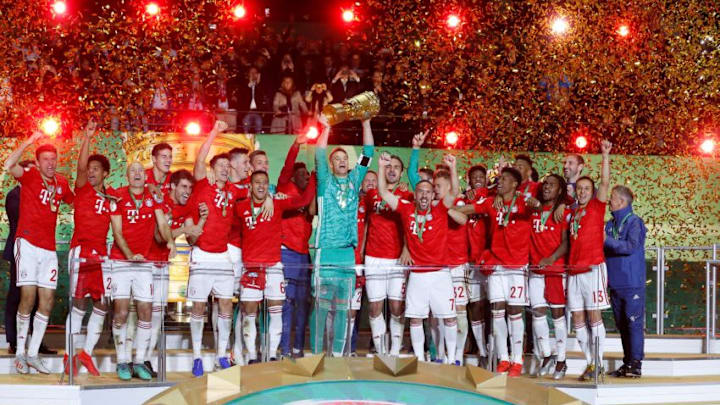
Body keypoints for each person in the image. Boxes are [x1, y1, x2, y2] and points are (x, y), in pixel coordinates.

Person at [377, 152, 467, 364]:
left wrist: (453, 167)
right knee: (416, 318)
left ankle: (452, 359)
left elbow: (454, 191)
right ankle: (418, 359)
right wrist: (381, 166)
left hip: (440, 274)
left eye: (428, 192)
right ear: (415, 195)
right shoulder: (405, 209)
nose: (425, 196)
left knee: (449, 318)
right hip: (417, 275)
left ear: (432, 195)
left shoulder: (440, 210)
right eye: (421, 192)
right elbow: (382, 191)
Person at [4, 133, 75, 374]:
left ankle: (33, 354)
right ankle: (20, 353)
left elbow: (75, 201)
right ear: (37, 161)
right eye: (45, 159)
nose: (50, 163)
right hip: (27, 245)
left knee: (47, 303)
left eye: (53, 159)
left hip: (49, 250)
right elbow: (8, 165)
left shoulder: (62, 183)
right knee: (28, 298)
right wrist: (28, 141)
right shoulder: (31, 176)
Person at [453, 167, 532, 377]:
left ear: (515, 184)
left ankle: (517, 359)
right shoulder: (490, 202)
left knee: (515, 313)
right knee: (497, 311)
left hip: (517, 266)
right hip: (497, 265)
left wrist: (533, 203)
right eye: (499, 178)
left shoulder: (524, 202)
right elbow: (466, 210)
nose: (500, 181)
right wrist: (448, 209)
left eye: (505, 179)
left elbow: (538, 206)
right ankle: (503, 358)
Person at [310, 115, 374, 356]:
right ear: (331, 164)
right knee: (321, 308)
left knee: (343, 308)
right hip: (325, 253)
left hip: (348, 254)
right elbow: (318, 153)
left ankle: (337, 356)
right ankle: (316, 355)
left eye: (344, 158)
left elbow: (368, 151)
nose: (341, 161)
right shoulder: (325, 183)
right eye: (336, 159)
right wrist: (325, 128)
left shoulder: (355, 180)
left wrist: (365, 122)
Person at [237, 170, 316, 362]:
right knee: (249, 312)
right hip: (251, 267)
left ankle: (272, 355)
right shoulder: (240, 207)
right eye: (257, 182)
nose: (261, 186)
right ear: (251, 185)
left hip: (273, 266)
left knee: (276, 311)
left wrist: (314, 177)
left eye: (264, 182)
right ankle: (252, 356)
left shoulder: (277, 204)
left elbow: (304, 200)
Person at [108, 162, 175, 381]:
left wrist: (171, 242)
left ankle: (139, 361)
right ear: (127, 176)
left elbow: (163, 224)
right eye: (132, 171)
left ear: (145, 177)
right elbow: (117, 232)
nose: (137, 174)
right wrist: (128, 254)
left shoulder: (153, 197)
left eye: (140, 171)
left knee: (146, 311)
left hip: (144, 263)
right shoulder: (118, 196)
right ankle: (122, 361)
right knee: (121, 312)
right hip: (121, 262)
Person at [144, 169, 206, 376]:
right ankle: (130, 359)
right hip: (144, 263)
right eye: (183, 187)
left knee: (156, 316)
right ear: (172, 187)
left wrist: (201, 221)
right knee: (141, 316)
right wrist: (184, 230)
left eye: (190, 187)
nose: (187, 191)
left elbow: (193, 237)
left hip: (162, 266)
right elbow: (160, 237)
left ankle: (145, 359)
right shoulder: (161, 203)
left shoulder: (187, 208)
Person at [64, 121, 114, 377]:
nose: (91, 172)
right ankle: (68, 355)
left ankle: (86, 354)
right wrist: (87, 138)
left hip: (101, 256)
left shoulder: (112, 196)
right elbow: (80, 167)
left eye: (97, 169)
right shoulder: (82, 190)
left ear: (105, 173)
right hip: (81, 252)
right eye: (90, 169)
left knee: (102, 304)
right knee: (79, 304)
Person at [185, 152, 237, 376]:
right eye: (221, 165)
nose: (225, 169)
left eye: (228, 166)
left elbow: (256, 188)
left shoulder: (233, 191)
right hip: (202, 255)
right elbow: (198, 161)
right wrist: (215, 130)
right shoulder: (202, 187)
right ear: (212, 169)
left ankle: (221, 355)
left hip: (223, 256)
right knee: (198, 307)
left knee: (226, 305)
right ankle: (197, 357)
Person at [568, 140, 612, 381]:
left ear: (592, 191)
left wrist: (604, 155)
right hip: (574, 271)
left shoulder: (596, 206)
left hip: (593, 268)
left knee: (594, 316)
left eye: (586, 188)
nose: (582, 192)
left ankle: (599, 362)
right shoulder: (573, 211)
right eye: (579, 189)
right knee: (577, 318)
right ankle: (590, 364)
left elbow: (605, 182)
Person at [363, 153, 412, 356]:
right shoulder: (371, 194)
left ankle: (394, 349)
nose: (392, 170)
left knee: (396, 306)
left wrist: (407, 249)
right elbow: (365, 224)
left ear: (401, 173)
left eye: (396, 167)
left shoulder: (407, 196)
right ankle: (381, 350)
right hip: (373, 257)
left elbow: (411, 226)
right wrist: (361, 253)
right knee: (374, 307)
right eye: (388, 166)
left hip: (397, 259)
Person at [525, 174, 572, 379]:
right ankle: (546, 355)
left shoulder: (563, 212)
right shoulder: (533, 209)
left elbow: (566, 242)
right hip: (535, 269)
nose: (547, 188)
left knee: (557, 315)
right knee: (537, 312)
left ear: (560, 191)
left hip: (554, 270)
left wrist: (551, 258)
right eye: (545, 184)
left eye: (552, 185)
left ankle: (561, 360)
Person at [278, 133, 317, 359]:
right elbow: (287, 166)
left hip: (304, 256)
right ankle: (284, 348)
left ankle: (298, 348)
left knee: (303, 303)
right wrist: (296, 144)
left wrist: (315, 178)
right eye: (300, 174)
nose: (305, 177)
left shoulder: (311, 198)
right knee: (286, 302)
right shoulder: (286, 188)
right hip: (287, 253)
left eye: (307, 175)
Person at [605, 185, 647, 378]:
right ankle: (627, 362)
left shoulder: (635, 222)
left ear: (621, 202)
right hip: (615, 282)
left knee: (633, 324)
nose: (608, 201)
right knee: (622, 325)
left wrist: (606, 241)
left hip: (632, 283)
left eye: (612, 198)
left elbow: (631, 246)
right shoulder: (609, 224)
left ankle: (636, 364)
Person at [3, 160, 40, 356]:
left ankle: (36, 340)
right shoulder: (14, 195)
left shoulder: (41, 194)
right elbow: (19, 219)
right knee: (17, 296)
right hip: (20, 250)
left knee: (38, 296)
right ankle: (13, 340)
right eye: (30, 172)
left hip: (39, 251)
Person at [464, 165, 491, 367]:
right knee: (475, 305)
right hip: (471, 261)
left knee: (494, 306)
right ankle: (481, 349)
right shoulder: (464, 199)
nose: (478, 180)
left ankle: (494, 348)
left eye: (482, 177)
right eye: (475, 177)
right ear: (469, 180)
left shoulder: (493, 199)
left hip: (490, 260)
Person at [351, 171, 378, 355]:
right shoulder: (354, 201)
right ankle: (349, 346)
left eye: (373, 181)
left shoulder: (381, 203)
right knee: (354, 307)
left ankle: (378, 345)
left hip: (377, 261)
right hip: (358, 261)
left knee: (378, 304)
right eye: (366, 180)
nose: (369, 183)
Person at [239, 66, 270, 134]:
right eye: (251, 73)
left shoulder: (262, 86)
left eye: (255, 73)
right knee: (246, 122)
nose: (253, 74)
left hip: (258, 112)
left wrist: (258, 85)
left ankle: (258, 139)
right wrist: (249, 86)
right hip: (247, 111)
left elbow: (262, 97)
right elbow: (243, 98)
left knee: (258, 122)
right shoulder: (244, 86)